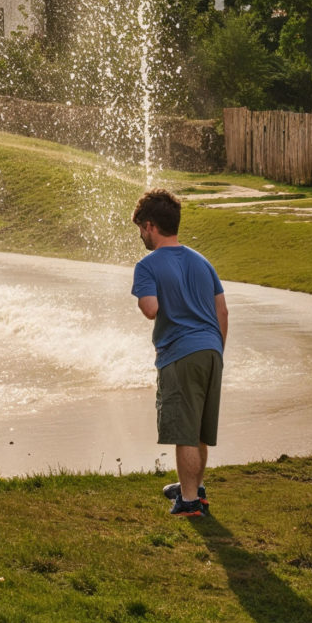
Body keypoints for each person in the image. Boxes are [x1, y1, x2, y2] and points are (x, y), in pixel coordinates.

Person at [130, 188, 227, 518]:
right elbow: (222, 311)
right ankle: (195, 490)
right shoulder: (202, 262)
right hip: (211, 350)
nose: (141, 236)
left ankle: (188, 502)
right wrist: (217, 349)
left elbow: (151, 309)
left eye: (141, 229)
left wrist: (148, 296)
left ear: (151, 226)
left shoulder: (147, 265)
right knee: (198, 430)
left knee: (184, 431)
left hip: (181, 354)